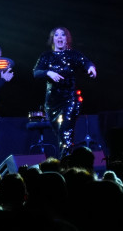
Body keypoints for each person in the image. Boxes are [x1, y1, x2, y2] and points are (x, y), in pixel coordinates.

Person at [32, 27, 97, 155]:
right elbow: (36, 73)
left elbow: (86, 62)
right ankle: (68, 163)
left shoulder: (73, 55)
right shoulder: (46, 56)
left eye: (63, 35)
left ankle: (65, 166)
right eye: (56, 35)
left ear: (67, 39)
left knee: (66, 133)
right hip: (52, 103)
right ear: (53, 39)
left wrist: (91, 68)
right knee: (62, 136)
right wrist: (48, 72)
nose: (60, 37)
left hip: (70, 100)